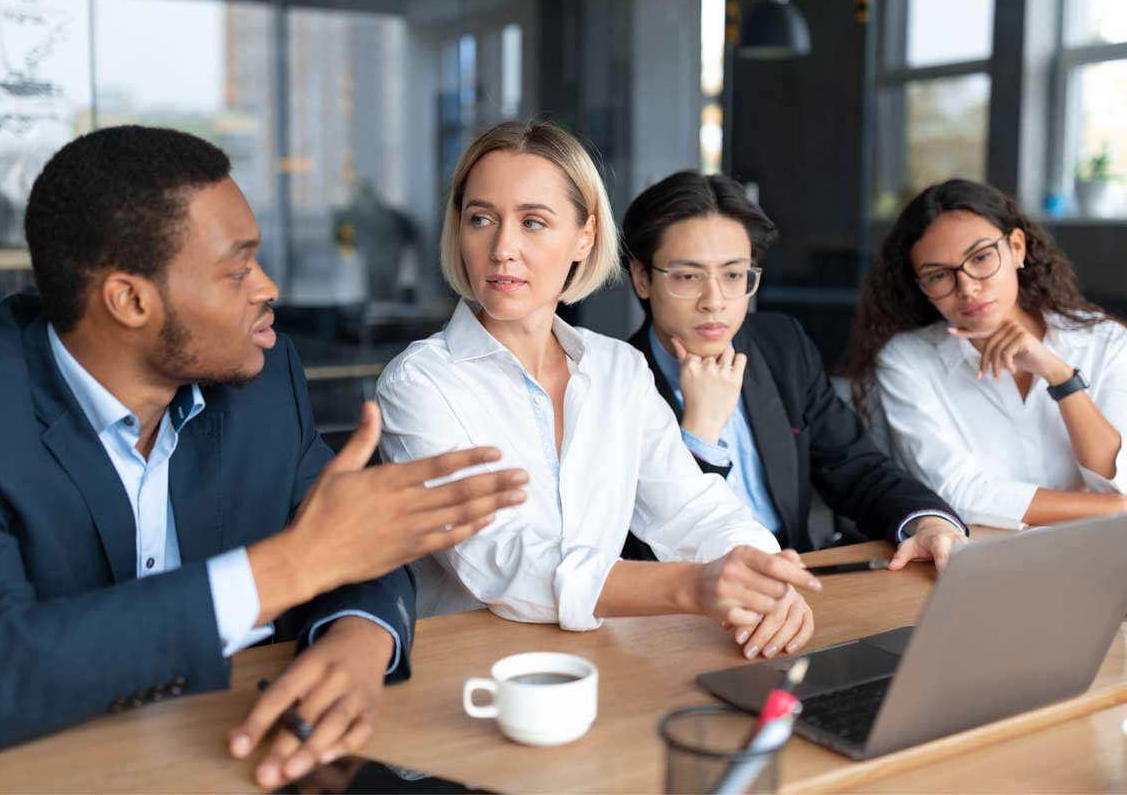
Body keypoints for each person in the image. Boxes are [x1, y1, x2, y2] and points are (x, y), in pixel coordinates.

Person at [0, 126, 527, 789]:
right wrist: (291, 565)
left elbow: (345, 532)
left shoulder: (262, 379)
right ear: (130, 300)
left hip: (248, 756)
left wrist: (357, 642)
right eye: (237, 270)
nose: (267, 288)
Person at [375, 121, 822, 662]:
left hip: (599, 660)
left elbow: (693, 508)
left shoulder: (619, 370)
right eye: (481, 219)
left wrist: (765, 575)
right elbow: (500, 558)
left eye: (534, 222)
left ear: (584, 237)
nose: (502, 249)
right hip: (468, 673)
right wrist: (688, 587)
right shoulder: (419, 382)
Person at [619, 172, 966, 593]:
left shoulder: (781, 347)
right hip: (682, 609)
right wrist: (700, 436)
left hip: (799, 588)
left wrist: (927, 522)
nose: (715, 300)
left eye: (733, 275)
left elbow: (857, 468)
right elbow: (634, 552)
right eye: (688, 277)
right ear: (642, 277)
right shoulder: (612, 384)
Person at [846, 178, 1127, 528]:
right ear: (921, 287)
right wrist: (1113, 509)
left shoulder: (1104, 341)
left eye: (980, 257)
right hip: (984, 558)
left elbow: (1118, 480)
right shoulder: (908, 360)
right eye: (938, 276)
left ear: (1017, 248)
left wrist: (1061, 377)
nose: (967, 287)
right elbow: (959, 493)